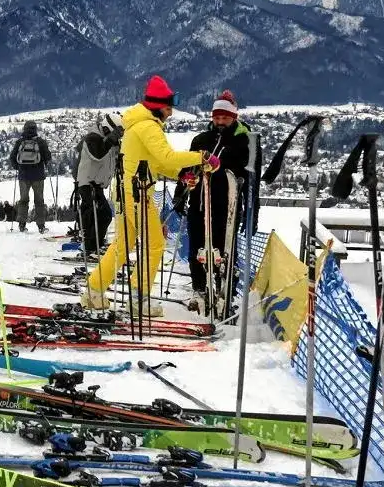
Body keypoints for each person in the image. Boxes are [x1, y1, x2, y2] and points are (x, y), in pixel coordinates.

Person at [82, 75, 216, 314]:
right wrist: (201, 157)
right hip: (137, 193)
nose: (172, 113)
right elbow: (167, 157)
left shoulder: (139, 125)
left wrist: (182, 175)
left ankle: (93, 290)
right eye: (169, 107)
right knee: (155, 244)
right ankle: (138, 299)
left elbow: (157, 164)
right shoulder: (148, 127)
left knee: (122, 246)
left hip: (125, 192)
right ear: (158, 106)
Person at [177, 90, 253, 315]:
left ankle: (225, 293)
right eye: (217, 117)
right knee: (195, 249)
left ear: (234, 117)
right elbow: (186, 168)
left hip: (226, 208)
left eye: (225, 117)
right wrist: (182, 186)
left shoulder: (244, 141)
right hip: (199, 203)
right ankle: (199, 289)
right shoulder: (201, 140)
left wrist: (249, 208)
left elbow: (251, 176)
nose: (220, 122)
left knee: (226, 251)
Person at [73, 111, 124, 255]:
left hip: (97, 183)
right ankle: (89, 247)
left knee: (103, 215)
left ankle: (96, 244)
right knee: (96, 214)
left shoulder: (109, 140)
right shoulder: (92, 138)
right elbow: (98, 154)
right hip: (88, 183)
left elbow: (113, 158)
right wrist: (111, 139)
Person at [8, 119, 52, 232]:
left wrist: (18, 168)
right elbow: (47, 157)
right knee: (39, 201)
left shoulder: (19, 142)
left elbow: (12, 158)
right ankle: (41, 225)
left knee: (23, 200)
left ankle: (22, 224)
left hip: (23, 176)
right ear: (35, 129)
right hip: (38, 176)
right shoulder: (40, 142)